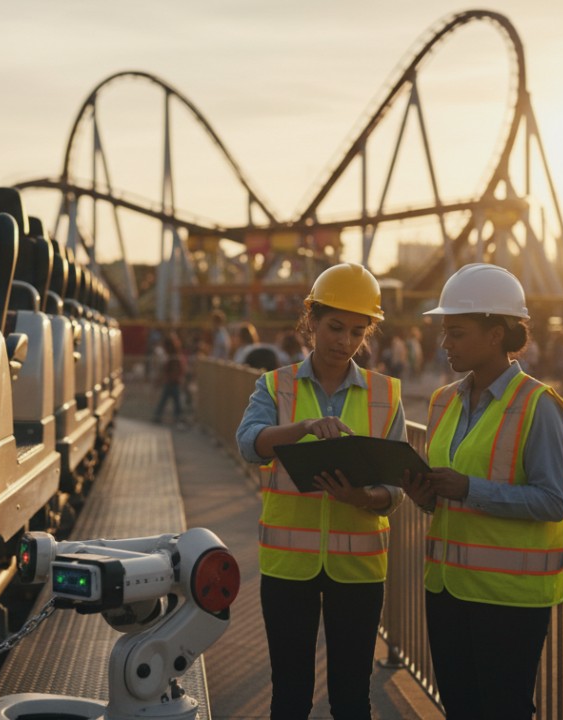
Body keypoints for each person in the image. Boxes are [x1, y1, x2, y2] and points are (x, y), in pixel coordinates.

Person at [235, 262, 407, 720]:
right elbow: (249, 444)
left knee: (351, 699)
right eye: (334, 327)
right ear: (310, 319)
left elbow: (398, 482)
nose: (344, 342)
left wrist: (368, 498)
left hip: (359, 568)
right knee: (289, 696)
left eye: (356, 331)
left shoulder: (386, 394)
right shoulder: (274, 385)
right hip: (289, 565)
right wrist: (304, 428)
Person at [402, 263, 563, 720]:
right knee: (460, 706)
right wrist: (426, 494)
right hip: (447, 590)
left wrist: (469, 489)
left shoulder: (540, 406)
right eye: (444, 332)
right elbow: (448, 494)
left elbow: (555, 500)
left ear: (496, 333)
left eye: (456, 333)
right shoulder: (443, 402)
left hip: (508, 599)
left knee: (503, 709)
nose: (444, 344)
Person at [152, 333, 186, 425]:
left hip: (172, 382)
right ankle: (176, 417)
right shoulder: (173, 356)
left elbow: (174, 370)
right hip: (172, 381)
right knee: (173, 400)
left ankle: (161, 416)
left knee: (171, 400)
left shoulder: (174, 357)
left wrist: (169, 378)